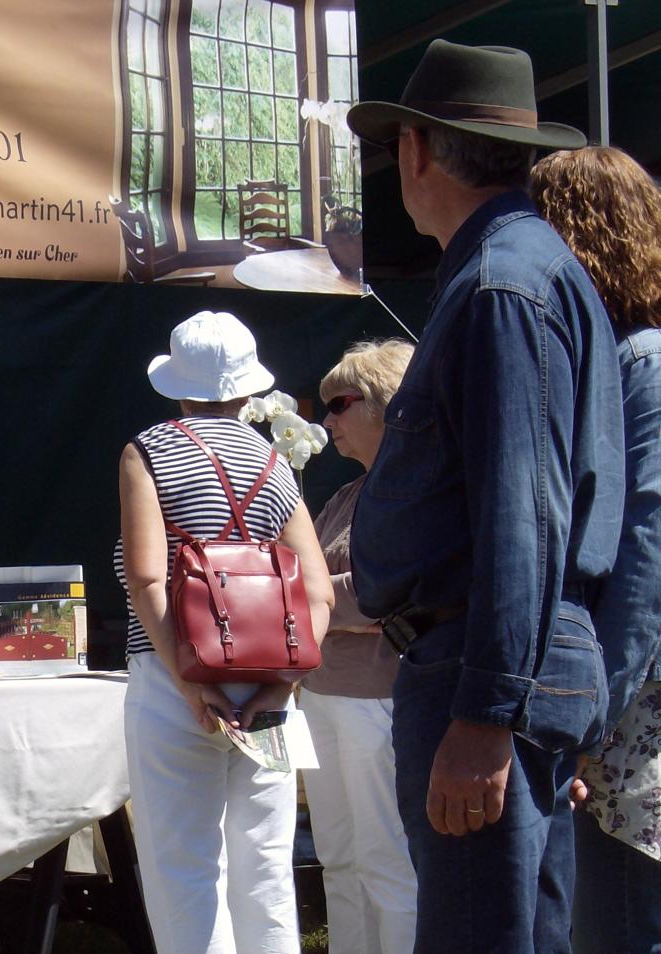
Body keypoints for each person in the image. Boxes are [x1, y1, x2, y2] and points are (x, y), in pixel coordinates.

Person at [345, 39, 626, 954]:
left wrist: (483, 716)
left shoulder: (504, 285)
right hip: (502, 662)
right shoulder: (521, 273)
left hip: (481, 663)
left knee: (482, 937)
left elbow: (525, 515)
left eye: (396, 153)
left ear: (420, 151)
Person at [115, 310, 333, 954]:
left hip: (171, 673)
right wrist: (282, 688)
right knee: (265, 864)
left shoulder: (148, 450)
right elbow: (317, 592)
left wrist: (188, 683)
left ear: (176, 382)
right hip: (268, 676)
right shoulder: (274, 460)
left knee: (182, 864)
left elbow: (149, 581)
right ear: (247, 385)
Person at [531, 145, 661, 954]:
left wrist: (591, 718)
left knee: (624, 927)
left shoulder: (641, 366)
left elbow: (648, 553)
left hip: (635, 715)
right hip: (625, 706)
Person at [298, 340, 417, 954]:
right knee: (339, 861)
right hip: (323, 696)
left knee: (387, 863)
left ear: (386, 403)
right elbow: (308, 586)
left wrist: (321, 603)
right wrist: (328, 603)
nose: (328, 421)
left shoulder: (415, 490)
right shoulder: (344, 496)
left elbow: (382, 592)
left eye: (340, 404)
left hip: (379, 702)